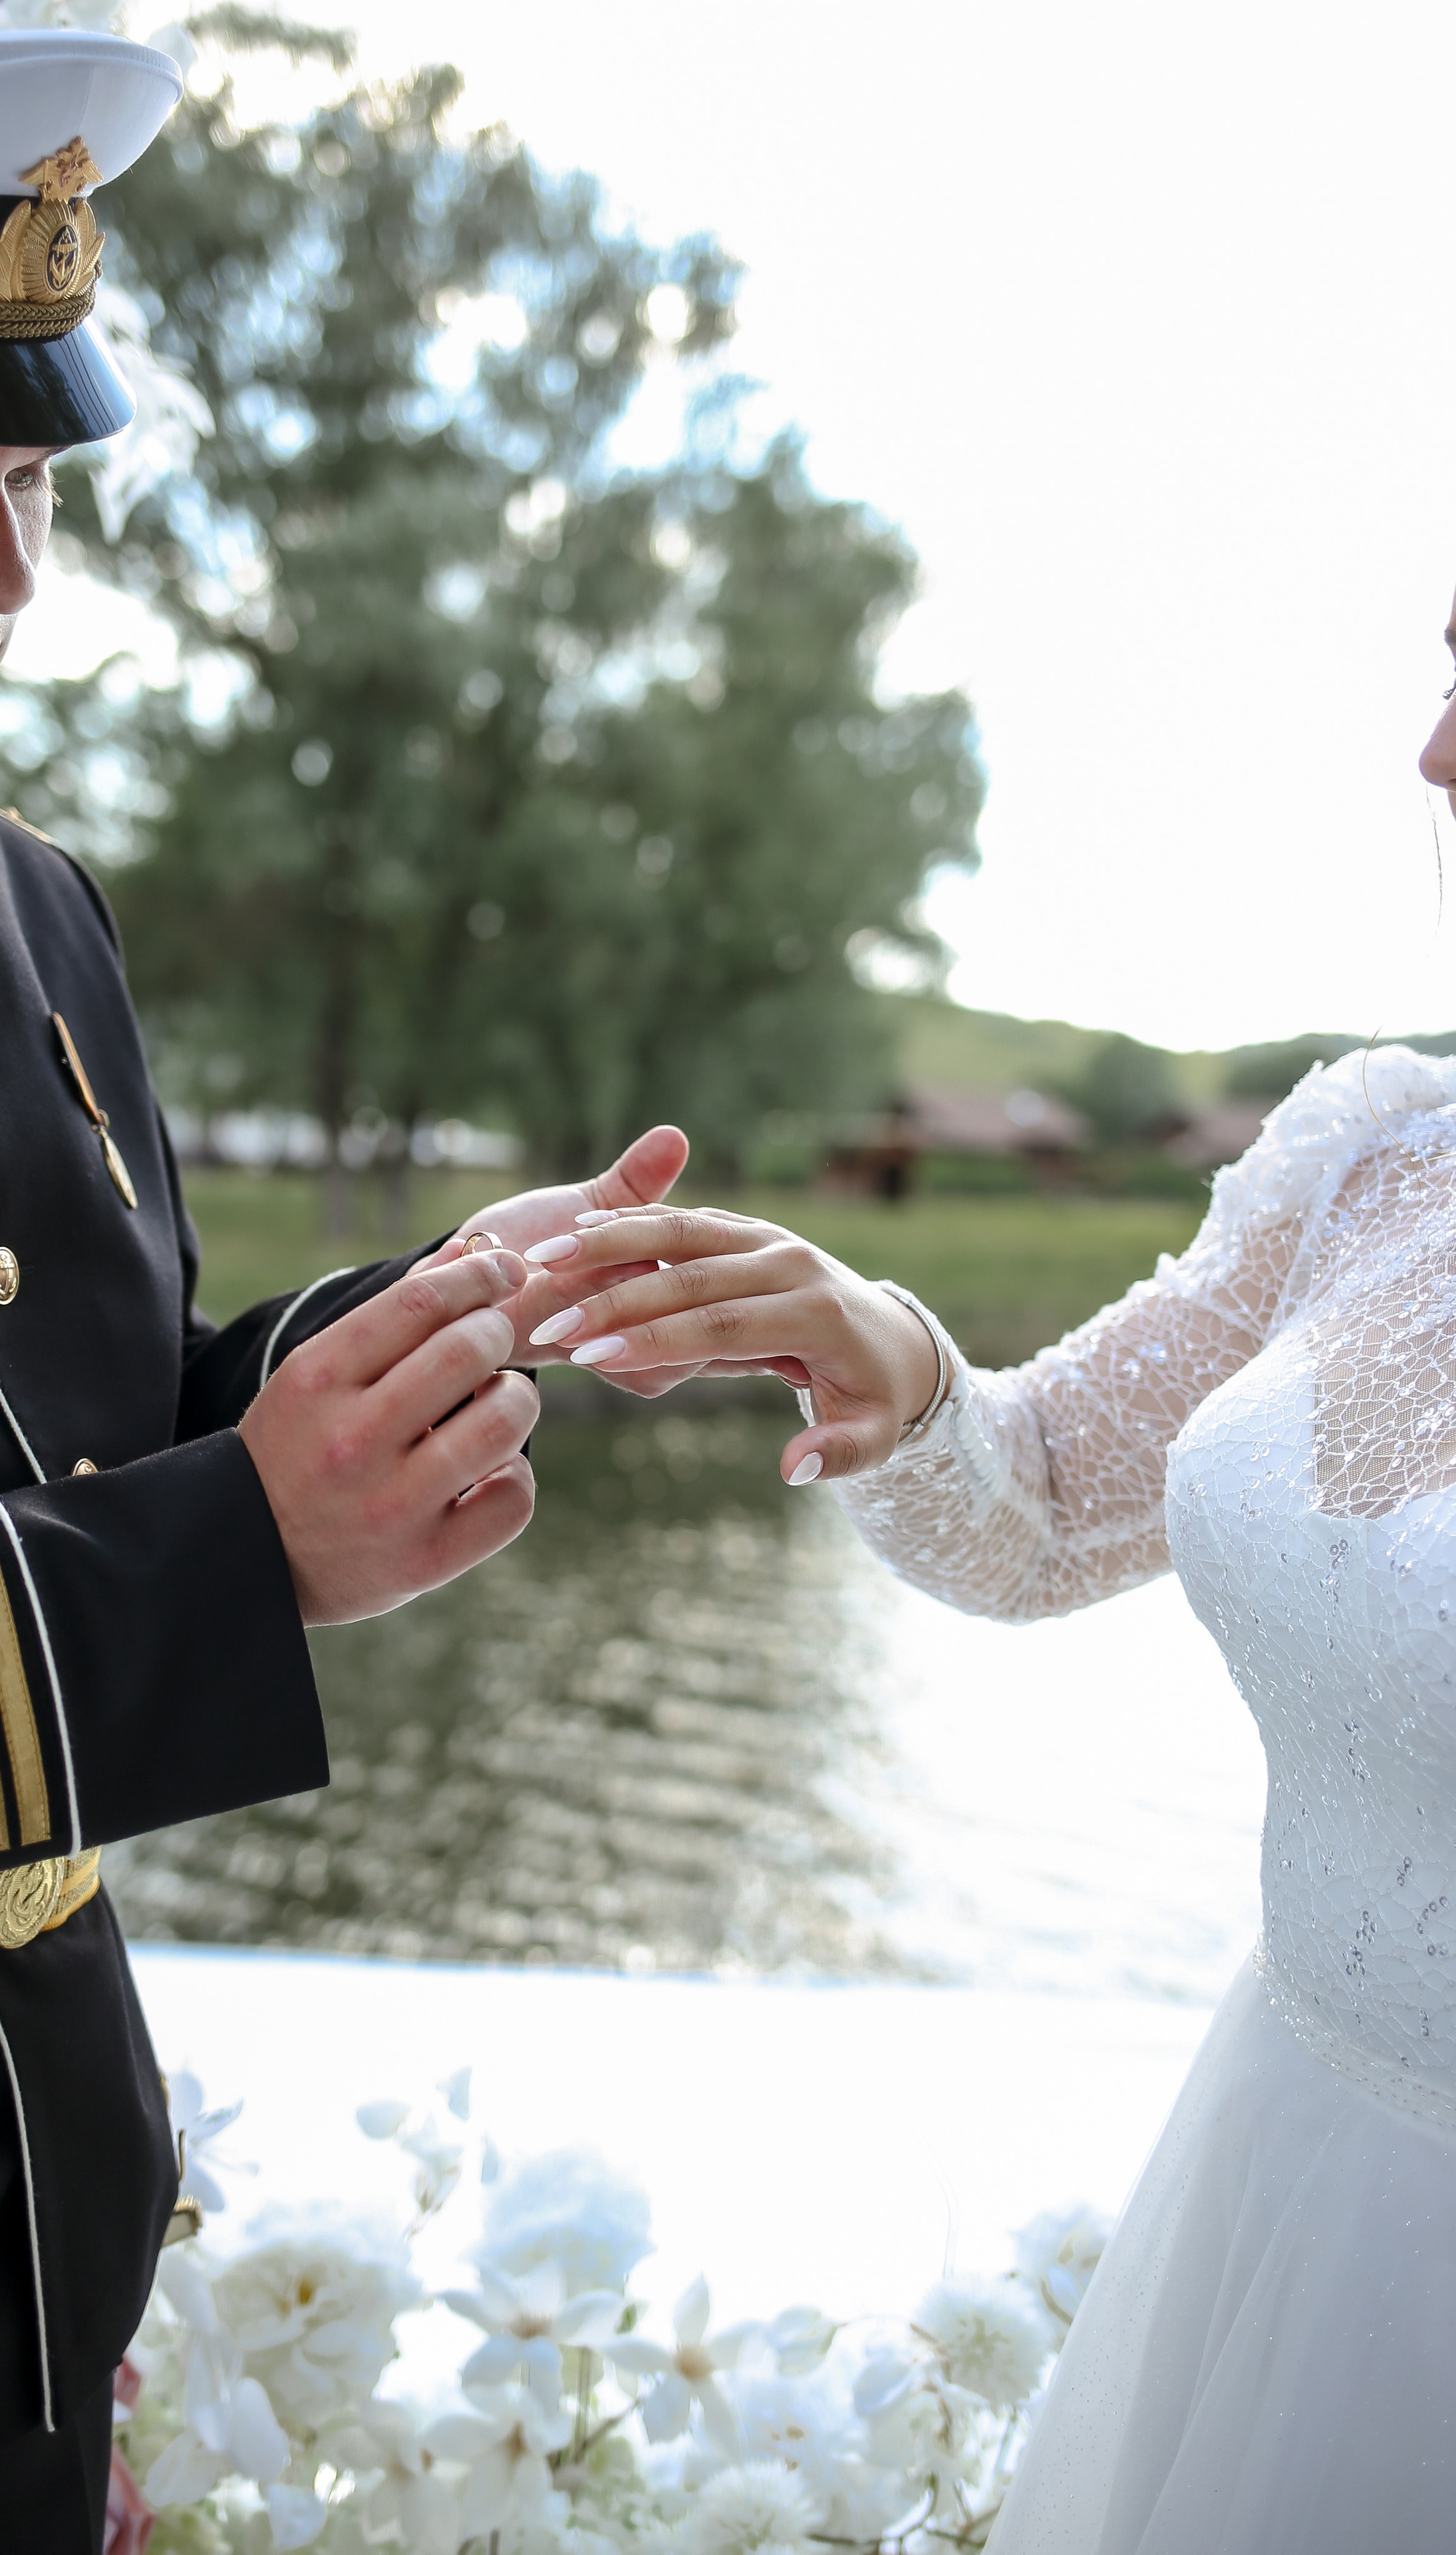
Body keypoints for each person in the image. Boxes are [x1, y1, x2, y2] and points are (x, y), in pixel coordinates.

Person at [0, 17, 684, 2548]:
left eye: (31, 477)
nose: (5, 571)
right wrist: (233, 1553)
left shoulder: (18, 895)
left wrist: (400, 1345)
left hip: (28, 2193)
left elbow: (70, 1422)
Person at [521, 647, 1456, 2548]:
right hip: (1283, 2174)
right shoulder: (1378, 1152)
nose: (1433, 752)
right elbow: (1030, 1514)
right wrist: (879, 1350)